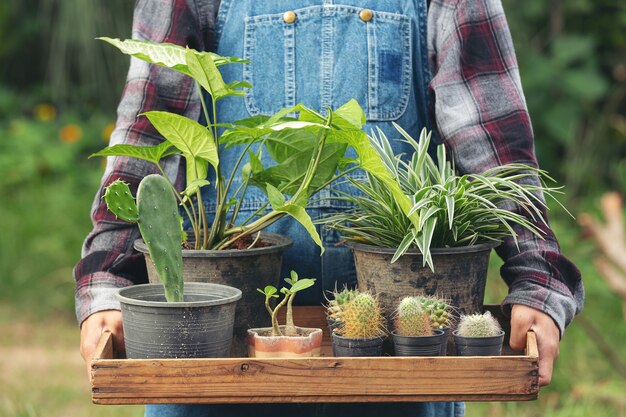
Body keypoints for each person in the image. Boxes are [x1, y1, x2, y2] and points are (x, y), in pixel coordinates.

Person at [76, 0, 584, 416]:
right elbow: (146, 137)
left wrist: (538, 282)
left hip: (401, 356)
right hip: (213, 355)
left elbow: (494, 144)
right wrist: (107, 283)